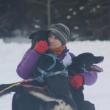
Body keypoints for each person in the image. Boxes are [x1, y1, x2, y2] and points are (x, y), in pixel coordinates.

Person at [15, 23, 97, 110]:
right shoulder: (35, 52)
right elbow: (22, 73)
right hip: (37, 97)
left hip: (62, 100)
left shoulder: (69, 57)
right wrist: (36, 52)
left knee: (86, 107)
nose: (51, 40)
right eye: (50, 36)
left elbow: (93, 75)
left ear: (63, 42)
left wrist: (82, 78)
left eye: (56, 38)